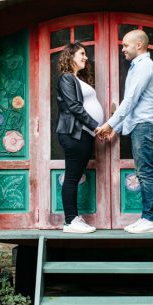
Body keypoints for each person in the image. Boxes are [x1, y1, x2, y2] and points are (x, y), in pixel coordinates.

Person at [96, 29, 153, 233]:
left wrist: (109, 124)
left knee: (145, 172)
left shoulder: (145, 66)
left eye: (126, 45)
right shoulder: (137, 66)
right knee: (143, 172)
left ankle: (151, 219)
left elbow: (130, 100)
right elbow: (133, 105)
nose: (123, 49)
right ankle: (146, 217)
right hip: (140, 124)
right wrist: (116, 128)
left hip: (145, 125)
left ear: (139, 45)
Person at [56, 42, 104, 234]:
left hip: (83, 134)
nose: (85, 57)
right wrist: (96, 126)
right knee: (72, 177)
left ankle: (73, 218)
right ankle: (70, 221)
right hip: (73, 133)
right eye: (82, 54)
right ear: (71, 56)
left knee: (73, 176)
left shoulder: (76, 79)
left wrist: (95, 129)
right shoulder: (66, 78)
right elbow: (74, 107)